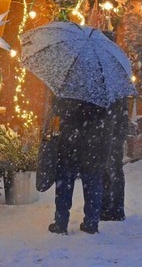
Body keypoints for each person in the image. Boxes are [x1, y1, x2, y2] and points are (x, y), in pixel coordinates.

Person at [48, 97, 110, 235]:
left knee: (64, 185)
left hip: (69, 145)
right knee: (92, 185)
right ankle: (92, 223)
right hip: (92, 145)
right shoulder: (99, 93)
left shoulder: (68, 88)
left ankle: (61, 223)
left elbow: (57, 110)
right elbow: (105, 119)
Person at [101, 96, 129, 221]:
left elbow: (120, 118)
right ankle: (111, 208)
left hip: (111, 137)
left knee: (113, 172)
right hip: (112, 136)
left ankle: (113, 208)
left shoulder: (114, 95)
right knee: (110, 173)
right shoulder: (117, 94)